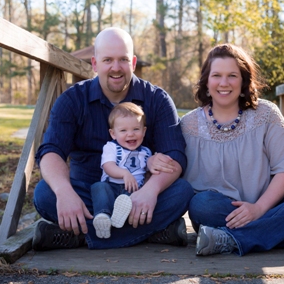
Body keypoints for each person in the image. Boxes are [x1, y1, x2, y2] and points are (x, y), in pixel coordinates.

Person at [32, 27, 193, 251]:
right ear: (95, 63)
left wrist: (150, 191)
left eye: (123, 60)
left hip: (138, 195)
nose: (116, 68)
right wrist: (64, 192)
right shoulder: (72, 99)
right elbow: (50, 151)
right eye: (108, 60)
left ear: (133, 62)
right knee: (44, 194)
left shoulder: (157, 100)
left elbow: (175, 157)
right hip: (88, 195)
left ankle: (78, 237)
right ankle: (154, 231)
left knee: (182, 191)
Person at [180, 44, 284, 256]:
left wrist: (259, 209)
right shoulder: (188, 125)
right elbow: (170, 162)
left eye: (232, 75)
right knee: (201, 204)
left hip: (269, 204)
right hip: (221, 212)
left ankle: (229, 239)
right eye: (217, 75)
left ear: (244, 80)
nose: (224, 83)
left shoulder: (266, 114)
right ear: (206, 81)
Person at [92, 102, 152, 239]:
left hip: (133, 191)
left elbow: (148, 173)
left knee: (132, 199)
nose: (130, 134)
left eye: (136, 129)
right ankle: (103, 216)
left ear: (144, 131)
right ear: (113, 134)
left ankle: (120, 216)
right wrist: (125, 174)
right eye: (123, 131)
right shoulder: (111, 147)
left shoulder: (146, 152)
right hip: (111, 187)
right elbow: (108, 166)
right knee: (98, 187)